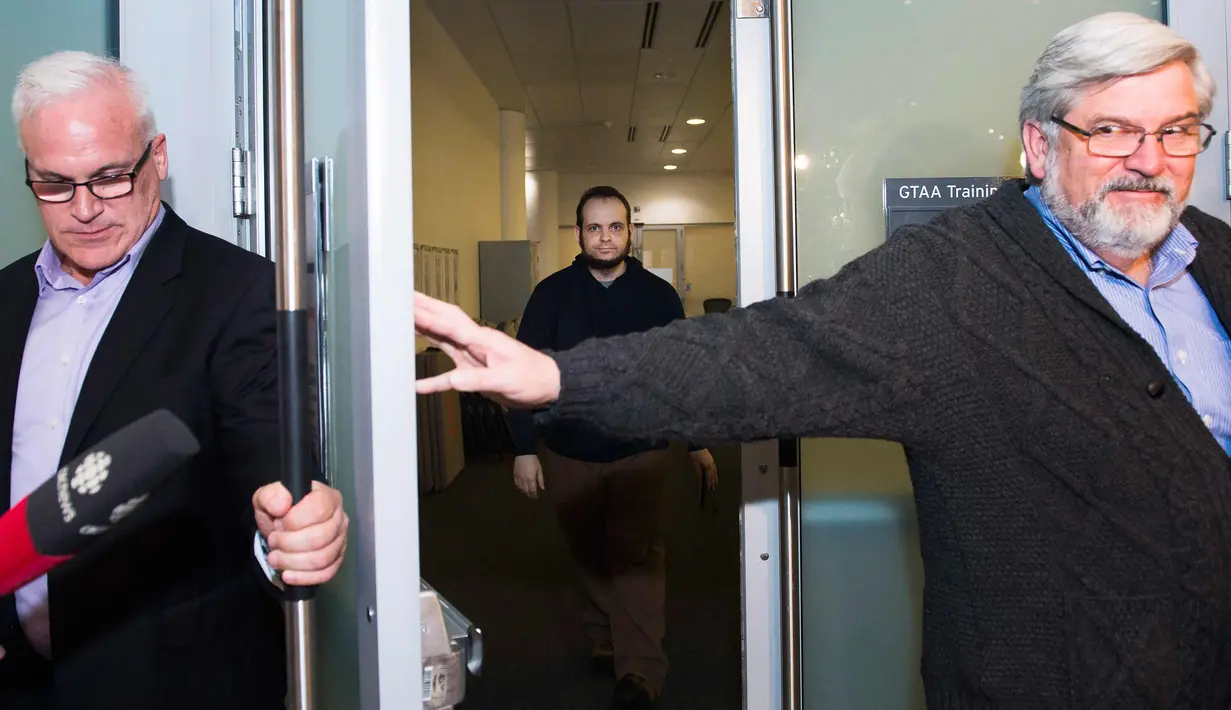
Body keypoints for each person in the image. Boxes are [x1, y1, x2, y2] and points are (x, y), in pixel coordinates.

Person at [415, 12, 1231, 708]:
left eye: (1175, 130)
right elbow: (754, 356)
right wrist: (556, 379)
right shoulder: (954, 283)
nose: (1149, 159)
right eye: (1111, 129)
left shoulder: (1219, 261)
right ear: (1040, 144)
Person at [0, 51, 349, 709]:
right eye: (54, 183)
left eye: (108, 177)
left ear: (156, 157)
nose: (84, 208)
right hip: (22, 680)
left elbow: (273, 478)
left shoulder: (240, 292)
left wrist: (295, 528)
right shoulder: (5, 299)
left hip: (171, 683)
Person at [507, 186, 718, 708]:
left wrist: (697, 442)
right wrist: (524, 447)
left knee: (635, 555)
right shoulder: (551, 295)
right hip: (568, 449)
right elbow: (520, 372)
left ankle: (641, 672)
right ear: (578, 234)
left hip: (639, 449)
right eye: (594, 228)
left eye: (615, 227)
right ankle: (604, 635)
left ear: (630, 231)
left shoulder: (658, 296)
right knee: (588, 552)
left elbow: (682, 373)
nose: (605, 237)